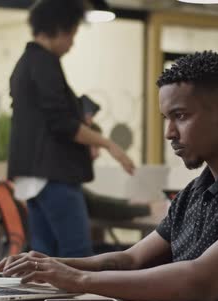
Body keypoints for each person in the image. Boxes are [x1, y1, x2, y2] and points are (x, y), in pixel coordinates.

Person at [0, 51, 218, 301]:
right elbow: (130, 260)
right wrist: (49, 266)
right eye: (166, 119)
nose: (169, 132)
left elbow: (203, 281)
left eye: (180, 116)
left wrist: (78, 280)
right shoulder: (194, 192)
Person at [7, 0, 135, 258]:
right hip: (54, 174)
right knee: (77, 256)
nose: (71, 43)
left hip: (32, 177)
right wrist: (109, 144)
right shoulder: (45, 63)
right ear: (59, 28)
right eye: (71, 35)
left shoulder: (24, 64)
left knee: (44, 257)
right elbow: (62, 123)